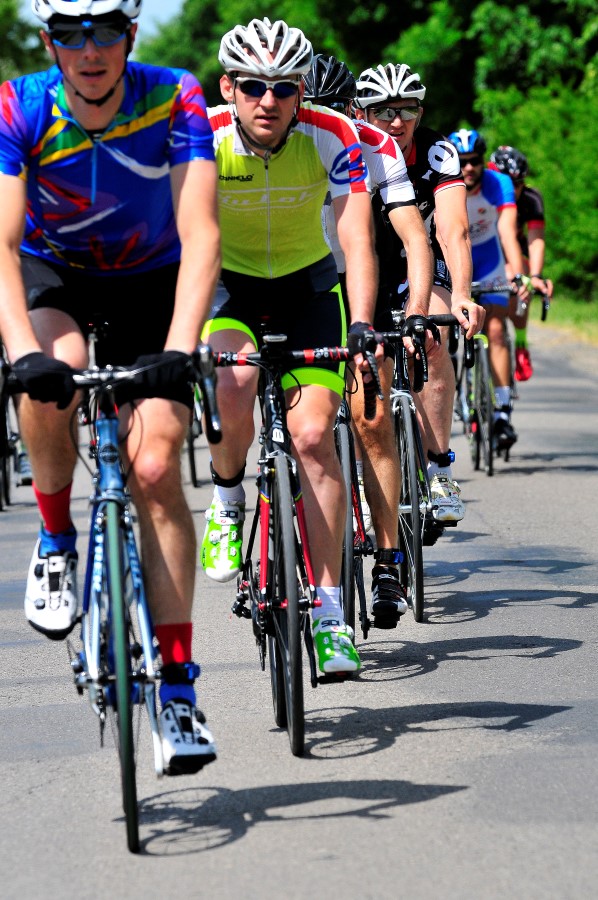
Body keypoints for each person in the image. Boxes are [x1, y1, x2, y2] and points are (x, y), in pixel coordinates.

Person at [0, 0, 220, 775]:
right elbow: (0, 242)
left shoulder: (174, 95)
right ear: (48, 40)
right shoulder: (19, 105)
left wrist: (181, 350)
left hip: (151, 279)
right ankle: (56, 537)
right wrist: (22, 353)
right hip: (54, 270)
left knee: (155, 467)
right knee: (50, 378)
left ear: (130, 35)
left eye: (104, 31)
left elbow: (202, 234)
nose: (88, 49)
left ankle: (179, 688)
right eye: (70, 32)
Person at [200, 18, 383, 674]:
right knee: (234, 384)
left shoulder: (333, 133)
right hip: (230, 289)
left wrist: (362, 324)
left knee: (313, 440)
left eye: (283, 87)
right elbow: (182, 235)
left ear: (301, 90)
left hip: (310, 291)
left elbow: (356, 237)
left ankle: (331, 615)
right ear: (230, 87)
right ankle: (227, 498)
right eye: (253, 86)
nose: (268, 100)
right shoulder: (203, 135)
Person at [303, 53, 434, 625]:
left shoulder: (372, 146)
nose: (322, 118)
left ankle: (386, 560)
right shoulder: (277, 142)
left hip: (361, 280)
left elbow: (414, 237)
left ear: (351, 110)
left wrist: (417, 312)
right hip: (300, 285)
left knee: (371, 419)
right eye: (313, 107)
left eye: (334, 108)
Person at [353, 64, 484, 535]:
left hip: (419, 264)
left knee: (434, 332)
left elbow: (453, 230)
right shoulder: (347, 150)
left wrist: (463, 293)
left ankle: (440, 467)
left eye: (407, 110)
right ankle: (361, 472)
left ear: (420, 113)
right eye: (383, 111)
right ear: (361, 113)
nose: (396, 121)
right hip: (363, 266)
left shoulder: (437, 152)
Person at [448, 129, 530, 449]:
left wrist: (519, 276)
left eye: (474, 161)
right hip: (454, 260)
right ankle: (456, 390)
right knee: (443, 333)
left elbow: (507, 232)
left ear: (484, 162)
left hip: (489, 261)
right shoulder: (444, 182)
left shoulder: (499, 183)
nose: (468, 168)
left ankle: (502, 412)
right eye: (462, 161)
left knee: (495, 330)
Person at [489, 145, 553, 381]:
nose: (514, 190)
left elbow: (536, 240)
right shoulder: (480, 193)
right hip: (485, 253)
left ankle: (521, 341)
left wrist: (535, 276)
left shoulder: (531, 198)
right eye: (508, 182)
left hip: (515, 254)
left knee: (521, 280)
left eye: (519, 183)